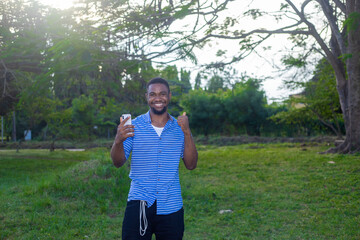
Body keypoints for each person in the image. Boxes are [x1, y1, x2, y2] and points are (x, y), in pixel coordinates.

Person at [110, 77, 198, 240]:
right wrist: (118, 140)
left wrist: (187, 132)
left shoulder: (180, 128)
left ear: (169, 96)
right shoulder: (133, 127)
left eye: (162, 94)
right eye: (153, 94)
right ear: (147, 97)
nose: (158, 98)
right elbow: (118, 162)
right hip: (139, 203)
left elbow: (191, 164)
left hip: (171, 205)